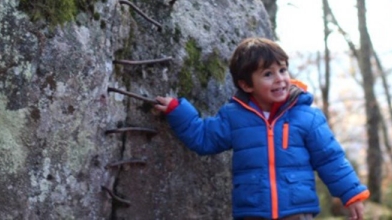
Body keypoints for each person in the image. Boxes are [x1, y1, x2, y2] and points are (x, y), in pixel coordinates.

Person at [154, 37, 369, 220]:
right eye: (268, 74)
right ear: (247, 85)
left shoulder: (307, 116)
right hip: (253, 210)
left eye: (283, 70)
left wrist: (351, 194)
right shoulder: (234, 117)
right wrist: (178, 111)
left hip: (297, 210)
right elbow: (203, 138)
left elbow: (330, 158)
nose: (280, 80)